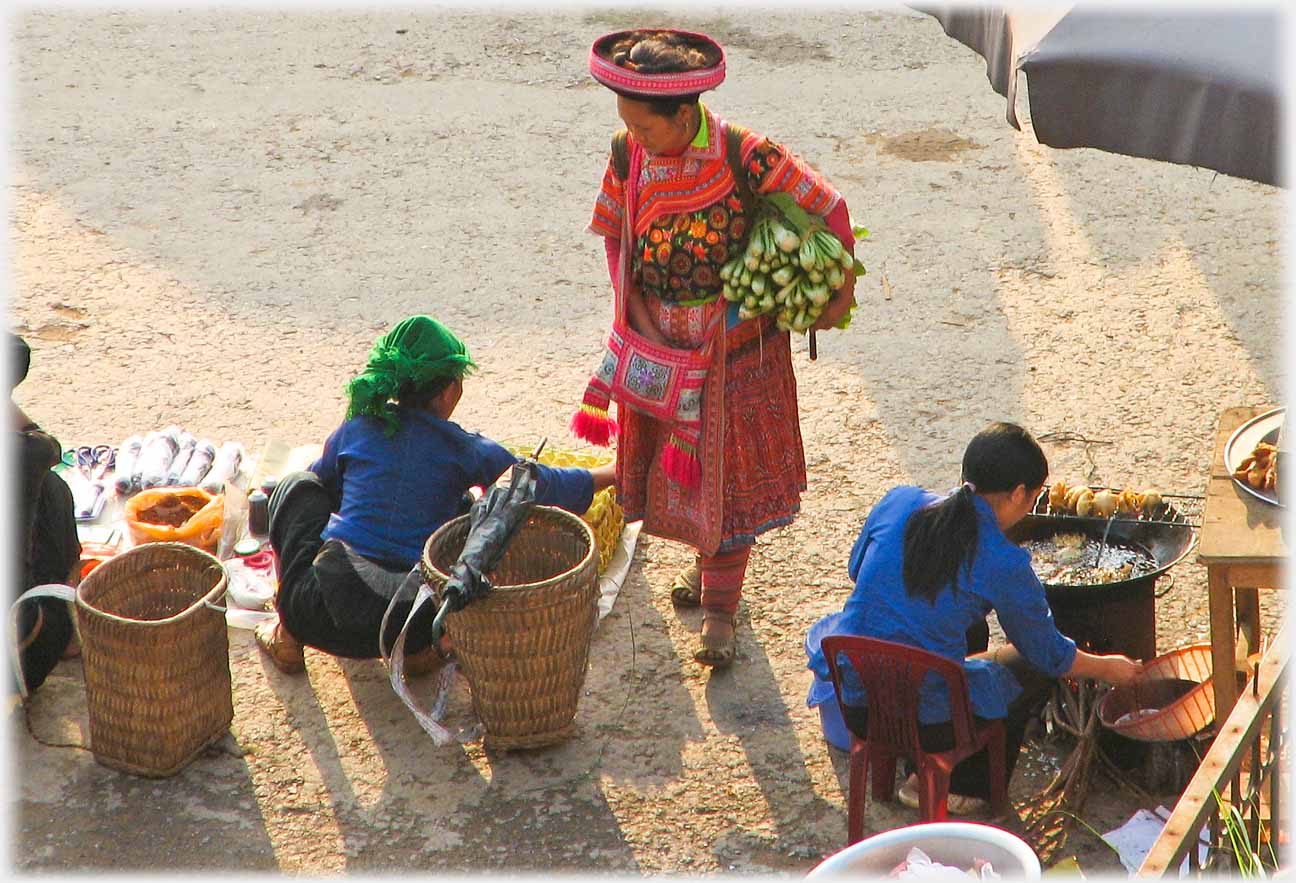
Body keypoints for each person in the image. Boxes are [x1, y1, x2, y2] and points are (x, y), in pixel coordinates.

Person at [572, 28, 858, 667]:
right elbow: (615, 237)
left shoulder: (745, 154)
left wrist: (831, 293)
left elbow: (830, 211)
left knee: (722, 481)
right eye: (629, 125)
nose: (635, 136)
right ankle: (710, 578)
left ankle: (721, 615)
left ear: (685, 114)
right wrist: (635, 314)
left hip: (737, 353)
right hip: (659, 349)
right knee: (679, 473)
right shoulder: (628, 154)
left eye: (645, 126)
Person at [806, 422, 1144, 814]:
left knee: (971, 624)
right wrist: (1107, 669)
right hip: (924, 716)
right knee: (1027, 668)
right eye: (1032, 498)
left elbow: (856, 569)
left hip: (859, 698)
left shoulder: (900, 500)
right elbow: (1048, 653)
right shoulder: (1002, 560)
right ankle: (962, 784)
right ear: (1018, 493)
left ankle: (911, 765)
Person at [255, 315, 615, 675]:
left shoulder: (357, 429)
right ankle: (421, 652)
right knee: (466, 512)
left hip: (313, 613)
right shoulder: (463, 449)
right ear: (446, 392)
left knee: (299, 487)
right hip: (413, 624)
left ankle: (288, 634)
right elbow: (539, 485)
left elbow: (325, 490)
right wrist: (614, 472)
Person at [11, 333, 79, 696]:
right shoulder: (23, 455)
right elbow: (48, 448)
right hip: (16, 657)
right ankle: (63, 633)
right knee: (54, 490)